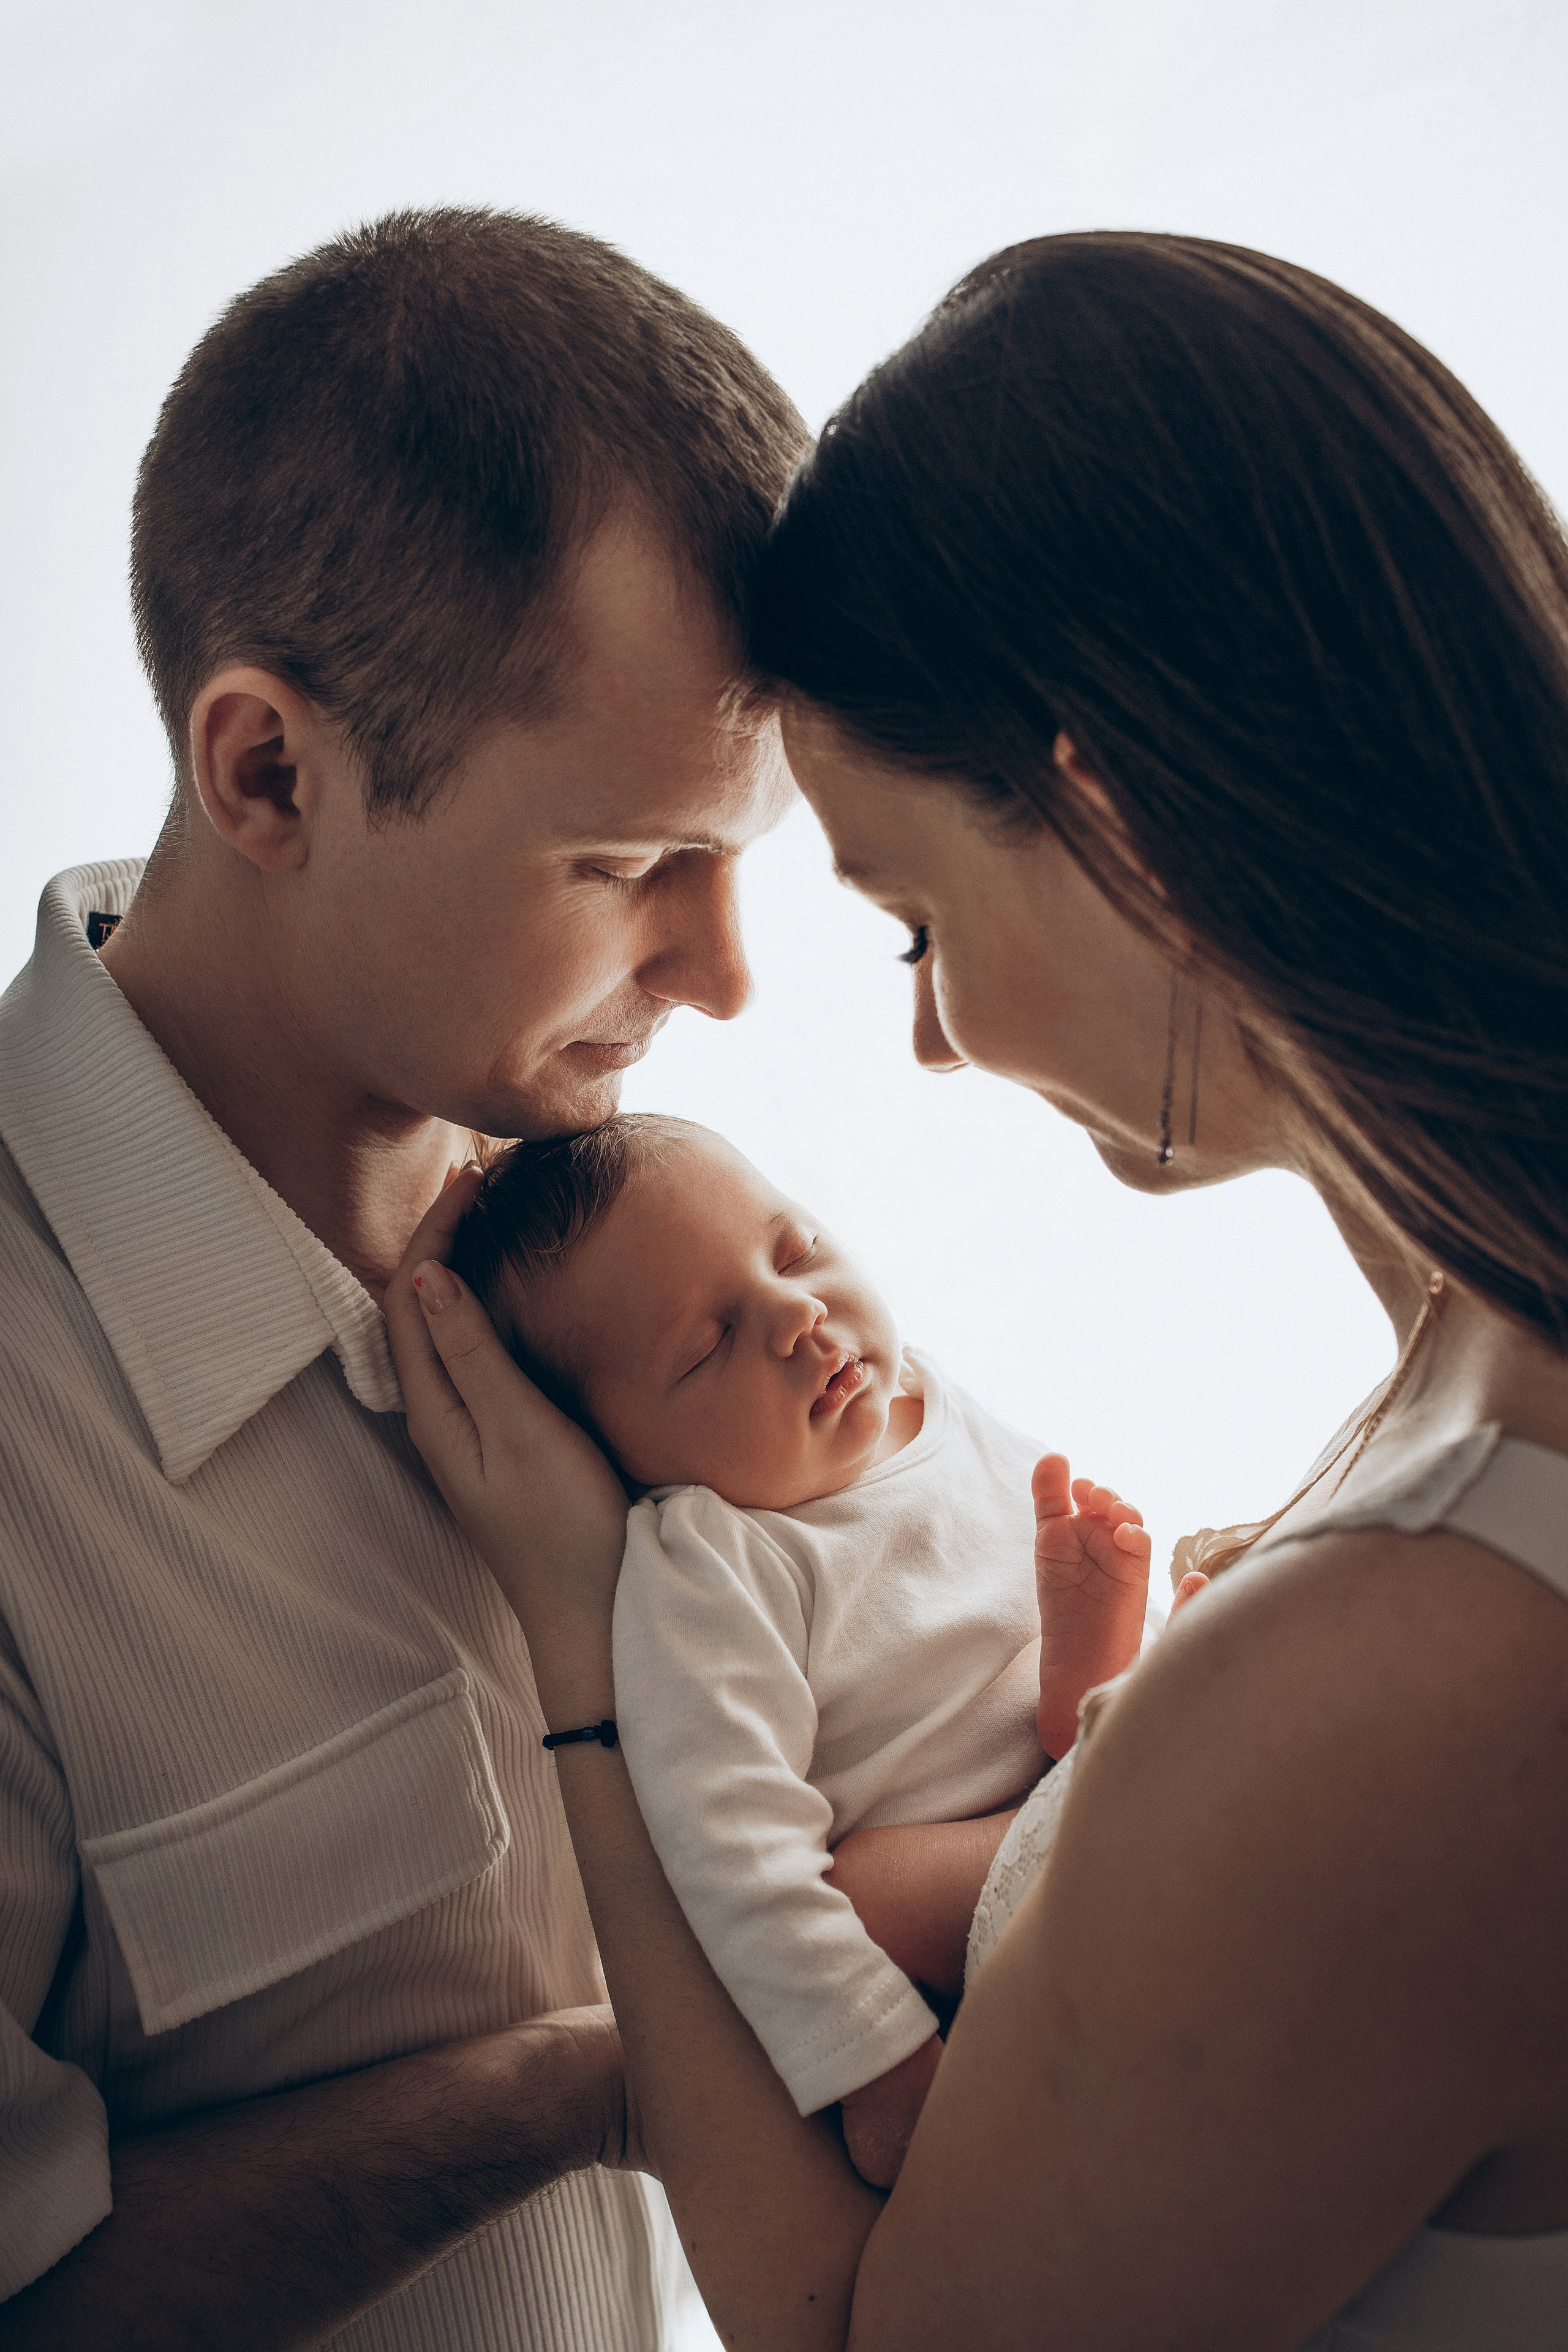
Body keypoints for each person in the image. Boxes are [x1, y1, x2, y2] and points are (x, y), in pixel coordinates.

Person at [388, 230, 1568, 2350]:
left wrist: (586, 1653)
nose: (930, 1040)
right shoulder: (1470, 1382)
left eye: (909, 921)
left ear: (1114, 817)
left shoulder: (1412, 1658)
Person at [0, 208, 807, 2346]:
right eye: (637, 869)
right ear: (268, 770)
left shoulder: (627, 1217)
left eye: (753, 856)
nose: (728, 978)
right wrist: (609, 2082)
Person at [449, 1113, 1152, 2184]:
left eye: (796, 1249)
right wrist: (874, 2060)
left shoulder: (927, 1400)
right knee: (874, 1897)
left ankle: (1093, 1699)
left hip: (1069, 1785)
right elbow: (734, 1849)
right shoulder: (711, 1563)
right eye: (705, 1346)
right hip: (946, 1933)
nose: (796, 1314)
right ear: (618, 1455)